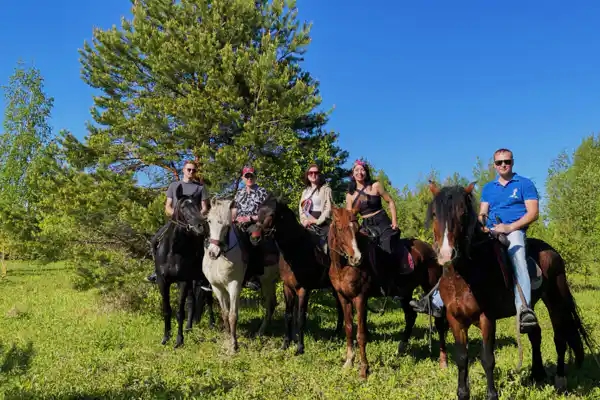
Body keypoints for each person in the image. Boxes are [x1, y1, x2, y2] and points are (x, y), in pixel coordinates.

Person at [410, 148, 541, 333]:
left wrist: (509, 227)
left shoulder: (524, 184)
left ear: (512, 162)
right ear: (495, 165)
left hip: (514, 230)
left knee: (517, 258)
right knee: (460, 255)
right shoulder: (489, 188)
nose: (503, 165)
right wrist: (481, 226)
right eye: (499, 162)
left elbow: (533, 213)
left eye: (507, 161)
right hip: (491, 229)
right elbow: (483, 213)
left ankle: (524, 309)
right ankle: (437, 300)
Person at [147, 160, 210, 286]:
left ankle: (203, 274)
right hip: (176, 222)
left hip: (193, 223)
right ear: (183, 170)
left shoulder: (200, 188)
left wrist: (195, 216)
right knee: (155, 240)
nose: (191, 172)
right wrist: (176, 215)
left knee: (205, 243)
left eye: (193, 170)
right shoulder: (174, 186)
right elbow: (168, 206)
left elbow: (204, 207)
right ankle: (157, 270)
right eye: (189, 169)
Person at [346, 159, 402, 291]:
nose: (360, 172)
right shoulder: (350, 195)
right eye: (356, 170)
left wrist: (394, 221)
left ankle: (392, 280)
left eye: (362, 170)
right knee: (363, 250)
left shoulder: (376, 186)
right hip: (366, 224)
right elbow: (350, 216)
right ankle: (371, 281)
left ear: (366, 172)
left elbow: (390, 202)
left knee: (387, 246)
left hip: (382, 221)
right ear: (353, 174)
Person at [231, 166, 274, 291]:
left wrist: (250, 218)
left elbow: (267, 212)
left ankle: (253, 276)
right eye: (247, 176)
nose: (249, 178)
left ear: (255, 177)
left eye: (251, 176)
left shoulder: (262, 192)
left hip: (254, 223)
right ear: (243, 178)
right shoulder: (239, 193)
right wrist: (232, 219)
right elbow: (234, 210)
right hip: (238, 223)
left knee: (255, 238)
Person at [299, 164, 334, 252]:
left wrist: (317, 221)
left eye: (316, 173)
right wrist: (304, 221)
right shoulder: (305, 192)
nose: (313, 175)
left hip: (322, 224)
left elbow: (328, 208)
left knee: (328, 246)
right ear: (307, 175)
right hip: (307, 223)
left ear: (319, 175)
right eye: (310, 173)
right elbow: (301, 209)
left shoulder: (326, 190)